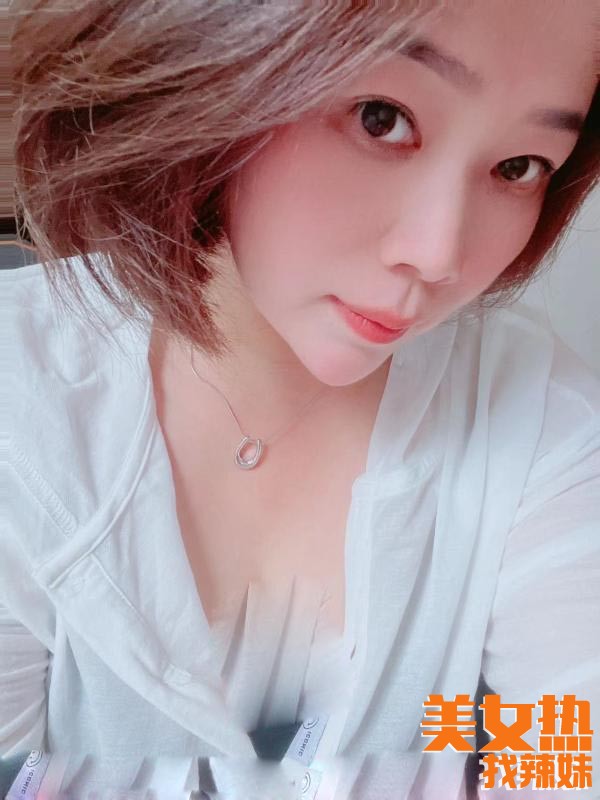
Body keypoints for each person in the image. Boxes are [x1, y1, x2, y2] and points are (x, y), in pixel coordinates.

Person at [2, 0, 599, 797]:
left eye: (520, 166)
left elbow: (561, 761)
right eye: (381, 118)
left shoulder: (543, 427)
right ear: (218, 60)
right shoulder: (22, 395)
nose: (438, 254)